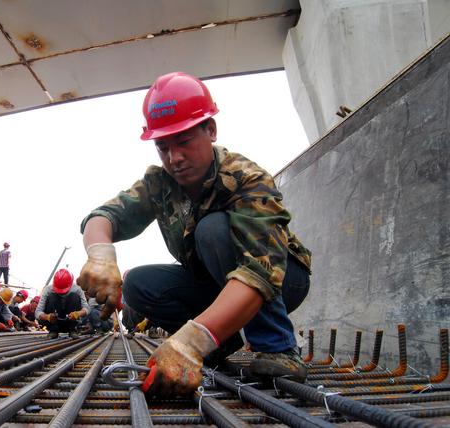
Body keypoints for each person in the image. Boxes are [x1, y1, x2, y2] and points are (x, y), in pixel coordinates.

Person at [77, 72, 312, 397]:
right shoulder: (159, 185)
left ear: (210, 130)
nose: (174, 158)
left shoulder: (246, 180)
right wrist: (100, 254)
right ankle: (220, 340)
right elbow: (104, 216)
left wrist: (191, 341)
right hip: (217, 285)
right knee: (138, 284)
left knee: (212, 230)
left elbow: (259, 271)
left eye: (184, 141)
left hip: (280, 279)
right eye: (163, 147)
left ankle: (277, 347)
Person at [36, 269, 89, 339]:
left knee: (74, 296)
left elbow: (86, 308)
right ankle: (53, 330)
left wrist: (77, 314)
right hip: (54, 322)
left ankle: (72, 330)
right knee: (52, 296)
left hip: (70, 322)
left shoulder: (77, 289)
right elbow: (38, 311)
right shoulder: (48, 289)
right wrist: (47, 317)